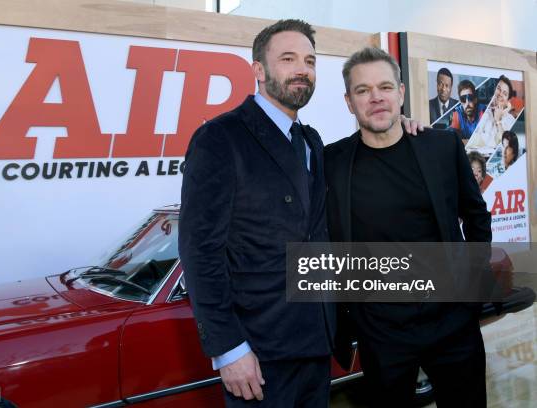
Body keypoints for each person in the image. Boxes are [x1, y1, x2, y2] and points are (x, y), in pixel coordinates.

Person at [179, 19, 421, 408]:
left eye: (309, 61)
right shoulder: (220, 139)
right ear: (258, 70)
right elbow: (199, 252)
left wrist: (400, 126)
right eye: (288, 59)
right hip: (257, 354)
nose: (302, 70)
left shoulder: (310, 141)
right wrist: (228, 349)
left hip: (315, 343)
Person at [324, 47, 491, 408]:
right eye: (362, 90)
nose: (376, 97)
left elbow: (476, 216)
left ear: (401, 93)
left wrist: (473, 293)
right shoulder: (331, 162)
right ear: (349, 102)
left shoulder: (441, 146)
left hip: (453, 323)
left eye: (385, 87)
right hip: (381, 332)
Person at [466, 75, 516, 150]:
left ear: (508, 101)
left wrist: (498, 121)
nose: (500, 94)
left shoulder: (510, 120)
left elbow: (505, 145)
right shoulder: (483, 112)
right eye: (498, 89)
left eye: (505, 93)